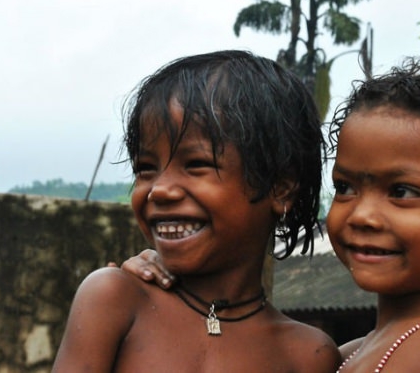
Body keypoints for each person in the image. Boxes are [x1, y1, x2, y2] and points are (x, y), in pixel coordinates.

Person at [121, 57, 420, 372]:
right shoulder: (341, 357)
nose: (362, 215)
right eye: (345, 188)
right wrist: (170, 275)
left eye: (401, 192)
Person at [52, 50, 341, 372]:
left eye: (196, 164)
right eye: (145, 168)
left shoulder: (308, 355)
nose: (160, 189)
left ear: (280, 188)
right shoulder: (113, 299)